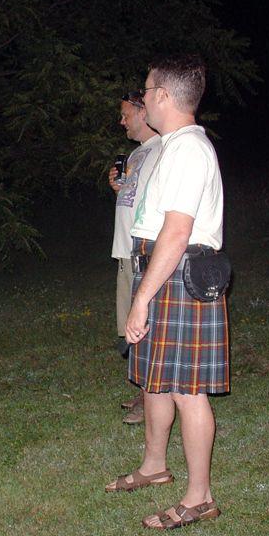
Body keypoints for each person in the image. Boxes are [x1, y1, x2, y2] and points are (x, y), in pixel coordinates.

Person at [104, 55, 229, 531]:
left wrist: (140, 299)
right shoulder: (170, 147)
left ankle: (200, 498)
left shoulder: (188, 149)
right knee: (156, 380)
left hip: (177, 273)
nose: (142, 98)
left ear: (162, 96)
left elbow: (177, 232)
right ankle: (154, 465)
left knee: (187, 390)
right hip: (159, 270)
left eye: (146, 89)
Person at [108, 91, 162, 425]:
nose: (122, 121)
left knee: (146, 326)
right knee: (129, 326)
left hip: (146, 251)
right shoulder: (137, 153)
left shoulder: (164, 149)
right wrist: (120, 188)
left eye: (126, 114)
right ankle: (143, 392)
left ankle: (151, 400)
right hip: (125, 250)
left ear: (143, 112)